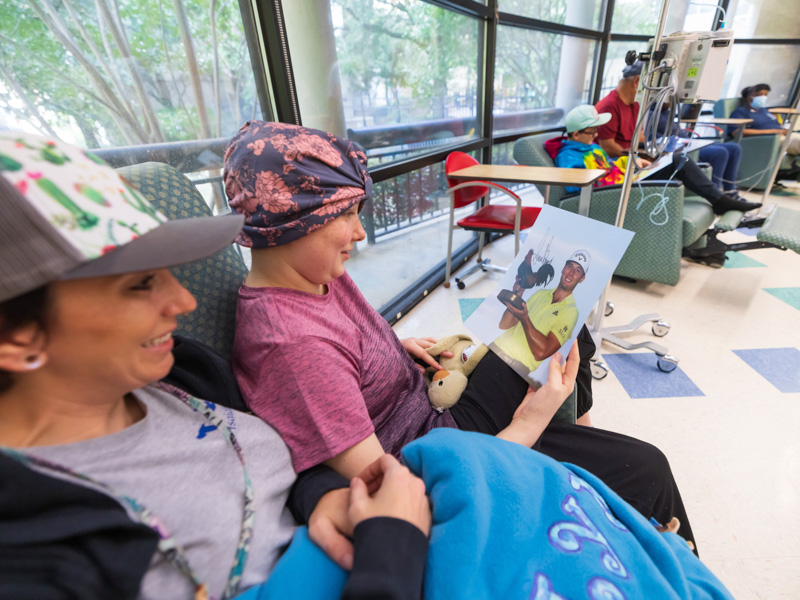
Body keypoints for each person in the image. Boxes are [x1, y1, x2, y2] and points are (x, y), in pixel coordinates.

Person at [228, 120, 699, 551]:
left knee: (570, 329)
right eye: (344, 215)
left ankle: (572, 437)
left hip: (436, 414)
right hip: (443, 455)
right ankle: (563, 441)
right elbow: (395, 491)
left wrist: (390, 350)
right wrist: (529, 424)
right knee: (647, 467)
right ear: (291, 222)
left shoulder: (313, 276)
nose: (359, 233)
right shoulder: (293, 346)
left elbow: (343, 356)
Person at [0, 132, 432, 600]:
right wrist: (392, 553)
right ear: (15, 337)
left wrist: (319, 496)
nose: (183, 300)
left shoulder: (182, 374)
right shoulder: (33, 556)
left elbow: (277, 460)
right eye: (141, 284)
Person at [595, 62, 761, 214]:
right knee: (680, 161)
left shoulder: (635, 105)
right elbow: (608, 148)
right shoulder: (608, 107)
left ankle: (720, 197)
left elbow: (640, 137)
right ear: (638, 82)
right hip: (621, 169)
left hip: (635, 162)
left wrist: (656, 153)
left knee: (678, 159)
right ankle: (720, 200)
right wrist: (637, 158)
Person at [493, 251, 589, 375]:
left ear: (582, 279)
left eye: (578, 270)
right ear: (563, 268)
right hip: (494, 348)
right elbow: (504, 324)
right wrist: (518, 293)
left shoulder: (571, 312)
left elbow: (541, 353)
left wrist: (525, 318)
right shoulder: (541, 293)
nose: (571, 272)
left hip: (514, 370)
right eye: (569, 266)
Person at [730, 83, 800, 155]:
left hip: (781, 135)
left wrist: (782, 130)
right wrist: (774, 131)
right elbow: (737, 132)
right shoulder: (741, 112)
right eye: (759, 94)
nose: (763, 97)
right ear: (749, 97)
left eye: (765, 94)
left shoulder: (763, 110)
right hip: (768, 139)